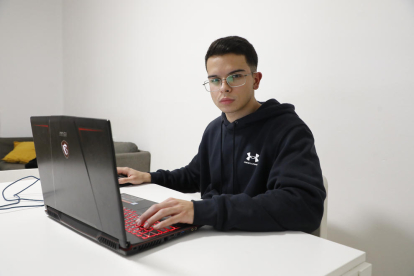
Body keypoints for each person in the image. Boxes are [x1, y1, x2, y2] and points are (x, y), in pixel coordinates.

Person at [117, 36, 326, 233]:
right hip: (215, 239)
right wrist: (149, 177)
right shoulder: (215, 129)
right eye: (215, 80)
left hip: (263, 244)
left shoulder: (289, 130)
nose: (224, 88)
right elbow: (194, 175)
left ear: (256, 80)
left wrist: (202, 211)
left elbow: (304, 205)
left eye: (235, 77)